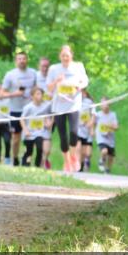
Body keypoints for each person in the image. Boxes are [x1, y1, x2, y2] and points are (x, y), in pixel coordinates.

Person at [45, 44, 89, 173]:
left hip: (74, 105)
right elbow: (48, 88)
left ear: (71, 56)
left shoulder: (78, 66)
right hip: (59, 107)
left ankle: (74, 155)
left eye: (67, 55)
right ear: (60, 56)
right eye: (63, 55)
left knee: (74, 132)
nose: (65, 58)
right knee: (63, 136)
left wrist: (79, 86)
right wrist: (56, 81)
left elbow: (85, 81)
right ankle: (67, 160)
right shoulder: (54, 69)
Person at [1, 52, 38, 167]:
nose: (22, 61)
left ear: (27, 60)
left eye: (24, 58)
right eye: (19, 59)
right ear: (16, 61)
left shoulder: (33, 73)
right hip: (15, 110)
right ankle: (15, 158)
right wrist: (14, 94)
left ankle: (26, 158)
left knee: (31, 136)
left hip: (30, 111)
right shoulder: (10, 75)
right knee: (16, 138)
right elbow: (1, 94)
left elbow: (38, 89)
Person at [20, 87, 52, 167]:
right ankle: (25, 164)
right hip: (29, 133)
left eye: (41, 94)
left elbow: (51, 115)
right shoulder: (28, 107)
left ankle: (37, 166)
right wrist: (25, 130)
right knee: (29, 151)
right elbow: (22, 119)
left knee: (40, 148)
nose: (40, 96)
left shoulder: (46, 106)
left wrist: (49, 122)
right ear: (32, 96)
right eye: (37, 94)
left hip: (40, 132)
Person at [36, 56, 54, 168]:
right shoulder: (35, 76)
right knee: (37, 138)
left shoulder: (54, 77)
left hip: (51, 112)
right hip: (37, 113)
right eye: (43, 66)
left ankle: (45, 159)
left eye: (47, 66)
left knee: (47, 136)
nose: (45, 68)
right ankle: (40, 161)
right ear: (39, 66)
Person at [94, 97, 119, 173]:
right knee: (104, 151)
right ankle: (101, 160)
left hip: (110, 138)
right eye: (103, 104)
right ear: (100, 106)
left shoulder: (113, 115)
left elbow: (116, 127)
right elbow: (92, 123)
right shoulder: (98, 115)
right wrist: (91, 130)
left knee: (111, 156)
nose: (105, 106)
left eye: (106, 104)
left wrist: (110, 126)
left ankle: (108, 169)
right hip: (101, 137)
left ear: (109, 104)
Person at [76, 90, 95, 172]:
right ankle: (78, 166)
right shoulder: (74, 101)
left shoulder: (89, 102)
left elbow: (93, 115)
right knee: (78, 148)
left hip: (87, 129)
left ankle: (83, 163)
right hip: (77, 129)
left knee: (86, 153)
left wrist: (90, 124)